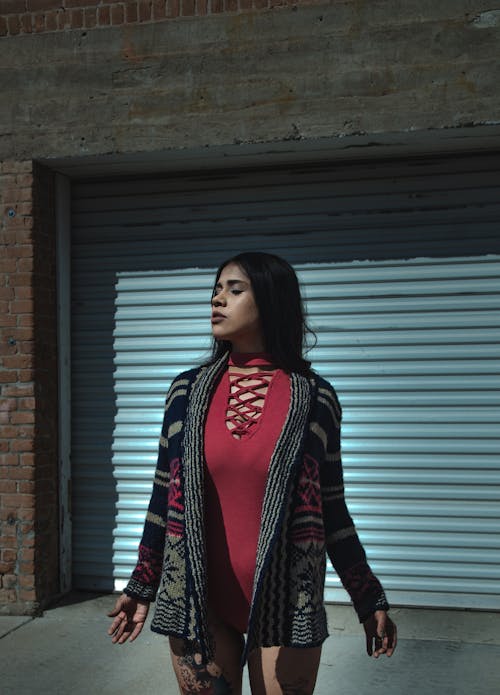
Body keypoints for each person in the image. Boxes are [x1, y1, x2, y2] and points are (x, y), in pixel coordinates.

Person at [107, 251, 397, 694]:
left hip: (287, 604)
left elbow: (333, 508)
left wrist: (366, 595)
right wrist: (143, 583)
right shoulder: (185, 392)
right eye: (216, 291)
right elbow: (163, 499)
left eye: (234, 290)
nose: (217, 300)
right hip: (198, 600)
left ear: (271, 300)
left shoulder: (316, 399)